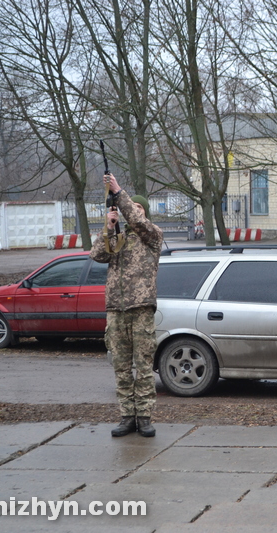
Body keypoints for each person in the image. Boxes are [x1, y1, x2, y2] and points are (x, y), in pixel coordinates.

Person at [91, 173, 163, 438]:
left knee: (143, 366)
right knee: (121, 368)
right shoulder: (118, 238)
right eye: (132, 208)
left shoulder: (152, 236)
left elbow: (137, 220)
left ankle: (144, 417)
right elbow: (97, 254)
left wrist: (120, 193)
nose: (133, 212)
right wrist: (109, 227)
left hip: (141, 309)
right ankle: (127, 416)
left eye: (138, 208)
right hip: (116, 310)